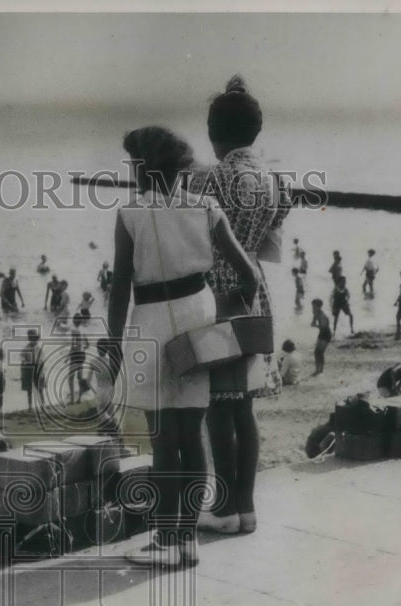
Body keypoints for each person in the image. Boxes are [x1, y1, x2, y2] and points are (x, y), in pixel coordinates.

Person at [109, 122, 263, 565]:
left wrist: (112, 346)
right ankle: (188, 543)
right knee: (192, 434)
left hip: (152, 320)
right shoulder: (206, 206)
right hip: (199, 315)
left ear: (141, 168)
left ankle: (165, 542)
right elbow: (249, 276)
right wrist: (223, 316)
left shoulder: (130, 214)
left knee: (163, 440)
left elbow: (120, 290)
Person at [185, 77, 292, 541]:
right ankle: (245, 508)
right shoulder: (275, 182)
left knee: (217, 408)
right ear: (256, 131)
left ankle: (224, 509)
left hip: (217, 296)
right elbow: (267, 248)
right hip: (256, 294)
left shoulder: (208, 177)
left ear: (212, 129)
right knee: (243, 406)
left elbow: (190, 242)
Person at [88, 337, 119, 436]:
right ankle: (112, 434)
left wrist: (94, 391)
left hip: (100, 391)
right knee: (112, 416)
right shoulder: (111, 362)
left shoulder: (93, 362)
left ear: (97, 348)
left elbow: (88, 381)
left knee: (103, 417)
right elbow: (116, 378)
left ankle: (103, 435)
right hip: (110, 390)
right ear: (107, 350)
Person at [21, 328, 42, 411]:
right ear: (30, 339)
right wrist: (22, 373)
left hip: (37, 368)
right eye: (32, 338)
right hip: (28, 369)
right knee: (29, 389)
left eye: (36, 339)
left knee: (39, 388)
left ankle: (42, 405)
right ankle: (30, 406)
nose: (34, 341)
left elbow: (42, 361)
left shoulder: (39, 349)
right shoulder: (26, 348)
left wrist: (42, 372)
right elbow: (22, 360)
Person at [67, 325, 89, 404]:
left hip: (75, 358)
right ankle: (79, 398)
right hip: (82, 357)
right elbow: (87, 345)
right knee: (80, 378)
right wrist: (82, 349)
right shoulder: (83, 334)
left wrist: (67, 358)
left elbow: (73, 348)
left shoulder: (75, 337)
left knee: (70, 379)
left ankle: (72, 400)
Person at [311, 299, 331, 375]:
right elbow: (313, 323)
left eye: (314, 306)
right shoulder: (316, 313)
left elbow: (324, 326)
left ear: (318, 306)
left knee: (320, 352)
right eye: (312, 306)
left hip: (326, 334)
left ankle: (320, 369)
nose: (312, 308)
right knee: (316, 352)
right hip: (321, 333)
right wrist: (314, 321)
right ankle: (317, 369)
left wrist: (316, 325)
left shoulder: (323, 315)